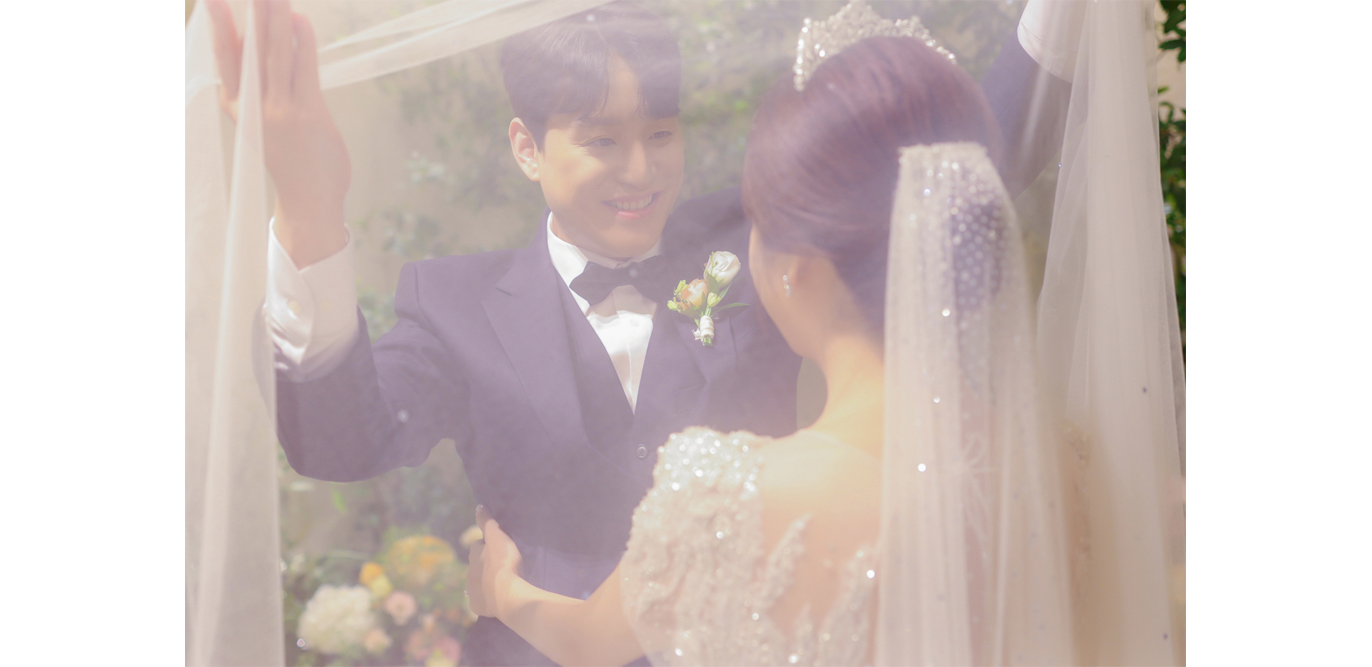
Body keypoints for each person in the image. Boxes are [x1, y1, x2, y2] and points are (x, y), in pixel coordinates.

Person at [202, 1, 1074, 664]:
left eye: (661, 133)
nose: (641, 170)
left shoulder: (764, 237)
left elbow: (952, 165)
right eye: (602, 140)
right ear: (527, 146)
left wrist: (1068, 21)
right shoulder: (452, 302)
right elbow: (341, 440)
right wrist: (309, 204)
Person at [465, 12, 1074, 665]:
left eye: (757, 219)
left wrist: (504, 591)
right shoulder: (1065, 470)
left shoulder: (732, 498)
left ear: (795, 268)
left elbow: (592, 640)